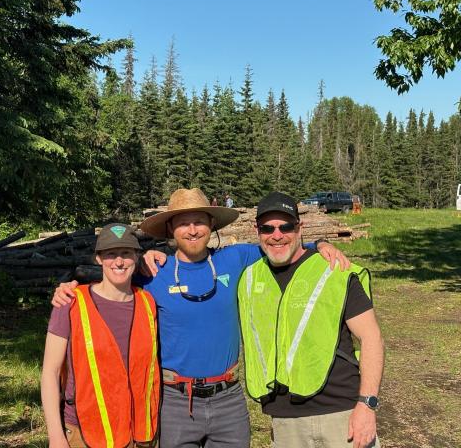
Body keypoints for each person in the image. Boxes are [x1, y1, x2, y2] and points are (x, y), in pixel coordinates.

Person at [52, 188, 349, 448]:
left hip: (229, 398)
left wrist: (320, 244)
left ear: (211, 225)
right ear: (170, 229)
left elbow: (279, 245)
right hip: (174, 401)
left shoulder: (236, 259)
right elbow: (110, 284)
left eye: (199, 222)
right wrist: (70, 288)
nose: (192, 230)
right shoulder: (151, 273)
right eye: (183, 223)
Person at [237, 192, 384, 448]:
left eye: (286, 226)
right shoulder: (249, 277)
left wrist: (367, 404)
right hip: (285, 421)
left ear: (300, 227)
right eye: (267, 228)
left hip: (342, 415)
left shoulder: (334, 271)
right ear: (256, 231)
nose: (277, 234)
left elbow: (371, 338)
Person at [41, 223, 160, 448]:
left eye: (126, 253)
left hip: (140, 432)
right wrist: (56, 437)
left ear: (137, 257)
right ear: (98, 258)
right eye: (110, 254)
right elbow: (50, 372)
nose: (118, 261)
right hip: (85, 432)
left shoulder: (148, 302)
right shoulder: (70, 302)